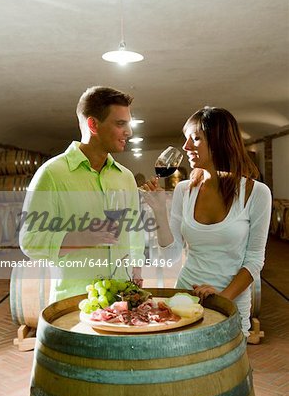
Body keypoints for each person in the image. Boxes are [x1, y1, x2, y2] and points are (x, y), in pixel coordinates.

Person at [141, 106, 272, 335]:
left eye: (195, 139)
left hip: (230, 303)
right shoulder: (185, 190)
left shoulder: (256, 193)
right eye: (186, 139)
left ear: (220, 141)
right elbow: (172, 254)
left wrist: (222, 299)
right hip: (184, 299)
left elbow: (254, 261)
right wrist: (160, 211)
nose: (186, 147)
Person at [19, 86, 145, 302]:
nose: (129, 132)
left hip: (123, 298)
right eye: (120, 123)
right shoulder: (51, 174)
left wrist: (136, 267)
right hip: (75, 303)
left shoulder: (125, 177)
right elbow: (29, 241)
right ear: (93, 124)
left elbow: (134, 231)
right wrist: (79, 237)